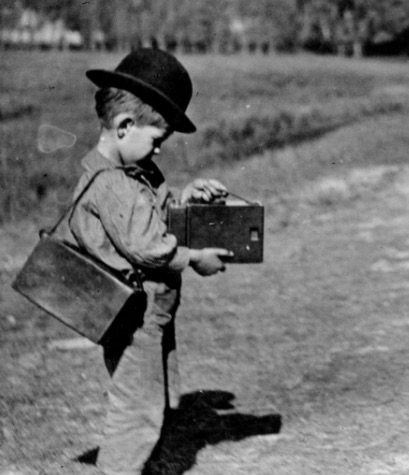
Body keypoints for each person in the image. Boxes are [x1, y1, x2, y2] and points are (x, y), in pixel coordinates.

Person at [55, 48, 232, 474]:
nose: (160, 150)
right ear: (124, 126)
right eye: (157, 140)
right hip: (135, 317)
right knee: (137, 413)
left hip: (147, 314)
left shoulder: (129, 173)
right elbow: (147, 247)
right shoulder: (115, 185)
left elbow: (148, 216)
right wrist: (194, 258)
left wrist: (187, 200)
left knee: (156, 399)